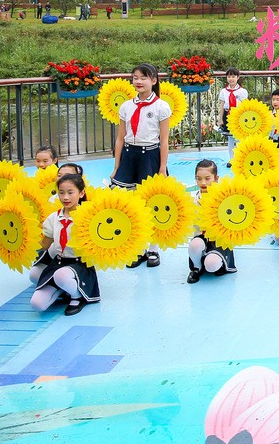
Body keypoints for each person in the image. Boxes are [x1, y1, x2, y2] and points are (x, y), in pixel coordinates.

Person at [111, 63, 172, 268]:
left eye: (143, 77)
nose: (138, 81)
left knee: (151, 203)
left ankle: (153, 249)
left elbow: (164, 141)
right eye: (135, 77)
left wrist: (162, 167)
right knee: (132, 204)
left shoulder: (161, 107)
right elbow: (120, 138)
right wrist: (117, 165)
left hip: (150, 156)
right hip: (130, 155)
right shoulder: (126, 106)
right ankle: (138, 248)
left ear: (154, 81)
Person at [29, 173, 99, 316]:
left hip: (80, 264)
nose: (65, 197)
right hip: (59, 263)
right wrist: (25, 241)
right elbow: (44, 245)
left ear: (81, 193)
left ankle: (76, 296)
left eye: (70, 192)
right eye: (61, 193)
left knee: (62, 276)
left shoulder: (89, 216)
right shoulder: (53, 218)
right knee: (37, 305)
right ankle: (65, 288)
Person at [187, 160, 237, 283]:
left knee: (212, 265)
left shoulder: (225, 198)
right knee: (195, 245)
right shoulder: (194, 200)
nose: (203, 182)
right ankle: (196, 268)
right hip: (201, 237)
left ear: (216, 178)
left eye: (207, 178)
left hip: (219, 240)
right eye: (199, 179)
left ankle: (218, 264)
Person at [220, 68, 249, 168]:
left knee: (239, 139)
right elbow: (222, 105)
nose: (231, 79)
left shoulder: (242, 91)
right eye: (229, 76)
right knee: (230, 138)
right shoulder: (224, 91)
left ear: (238, 77)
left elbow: (245, 105)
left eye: (233, 76)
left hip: (239, 116)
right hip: (227, 115)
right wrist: (220, 119)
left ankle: (240, 158)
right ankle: (231, 159)